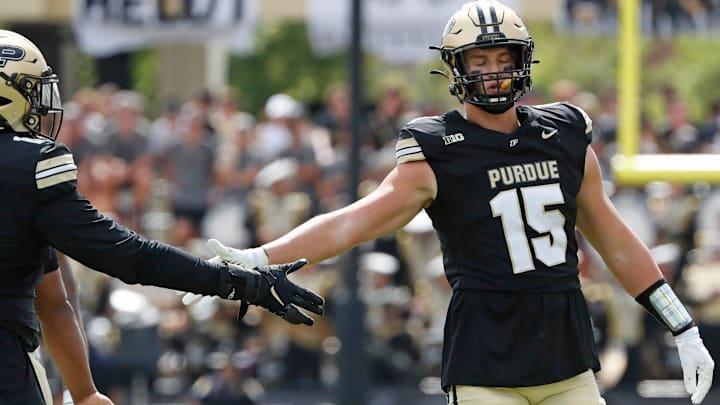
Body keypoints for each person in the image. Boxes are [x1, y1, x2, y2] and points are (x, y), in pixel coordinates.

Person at [205, 1, 714, 404]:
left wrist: (682, 325)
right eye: (479, 60)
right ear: (456, 67)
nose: (493, 72)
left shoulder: (563, 132)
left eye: (502, 58)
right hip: (486, 360)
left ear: (522, 62)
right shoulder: (436, 147)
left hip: (567, 358)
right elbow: (356, 222)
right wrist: (263, 255)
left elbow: (616, 241)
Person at [0, 30, 324, 404]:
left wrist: (85, 392)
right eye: (33, 93)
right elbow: (129, 256)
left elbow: (54, 297)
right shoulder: (28, 165)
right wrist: (236, 281)